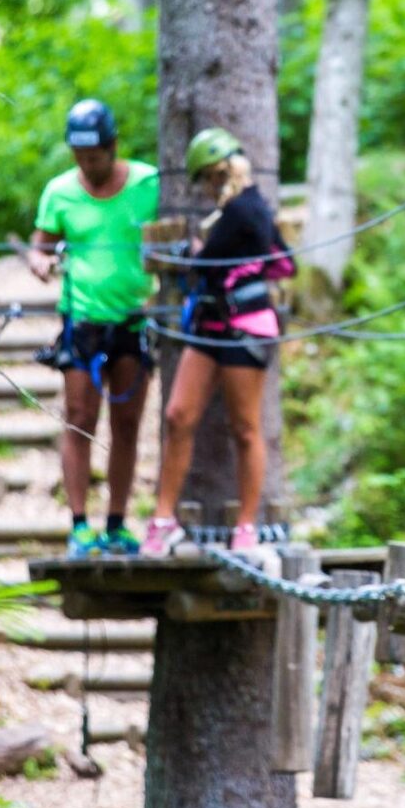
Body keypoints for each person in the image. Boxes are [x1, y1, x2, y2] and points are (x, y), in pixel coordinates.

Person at [141, 127, 293, 556]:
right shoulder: (229, 214)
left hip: (244, 328)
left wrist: (199, 255)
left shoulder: (248, 209)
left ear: (225, 171)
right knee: (178, 415)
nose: (207, 187)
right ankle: (163, 520)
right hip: (209, 328)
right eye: (204, 179)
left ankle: (246, 526)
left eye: (211, 177)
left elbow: (264, 259)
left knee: (245, 428)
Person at [27, 100, 158, 558]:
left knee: (127, 423)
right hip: (80, 318)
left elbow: (174, 234)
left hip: (133, 319)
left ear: (112, 147)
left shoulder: (148, 183)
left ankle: (118, 524)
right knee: (80, 418)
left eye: (95, 157)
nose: (87, 165)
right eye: (80, 157)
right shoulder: (59, 191)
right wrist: (41, 262)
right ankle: (80, 526)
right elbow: (40, 244)